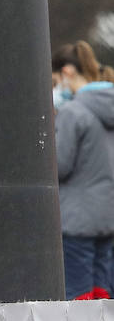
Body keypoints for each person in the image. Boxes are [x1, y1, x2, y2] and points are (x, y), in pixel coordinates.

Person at [52, 40, 114, 299]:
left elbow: (60, 166)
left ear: (66, 72)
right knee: (104, 297)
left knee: (77, 300)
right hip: (107, 218)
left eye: (54, 80)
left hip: (75, 222)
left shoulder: (72, 113)